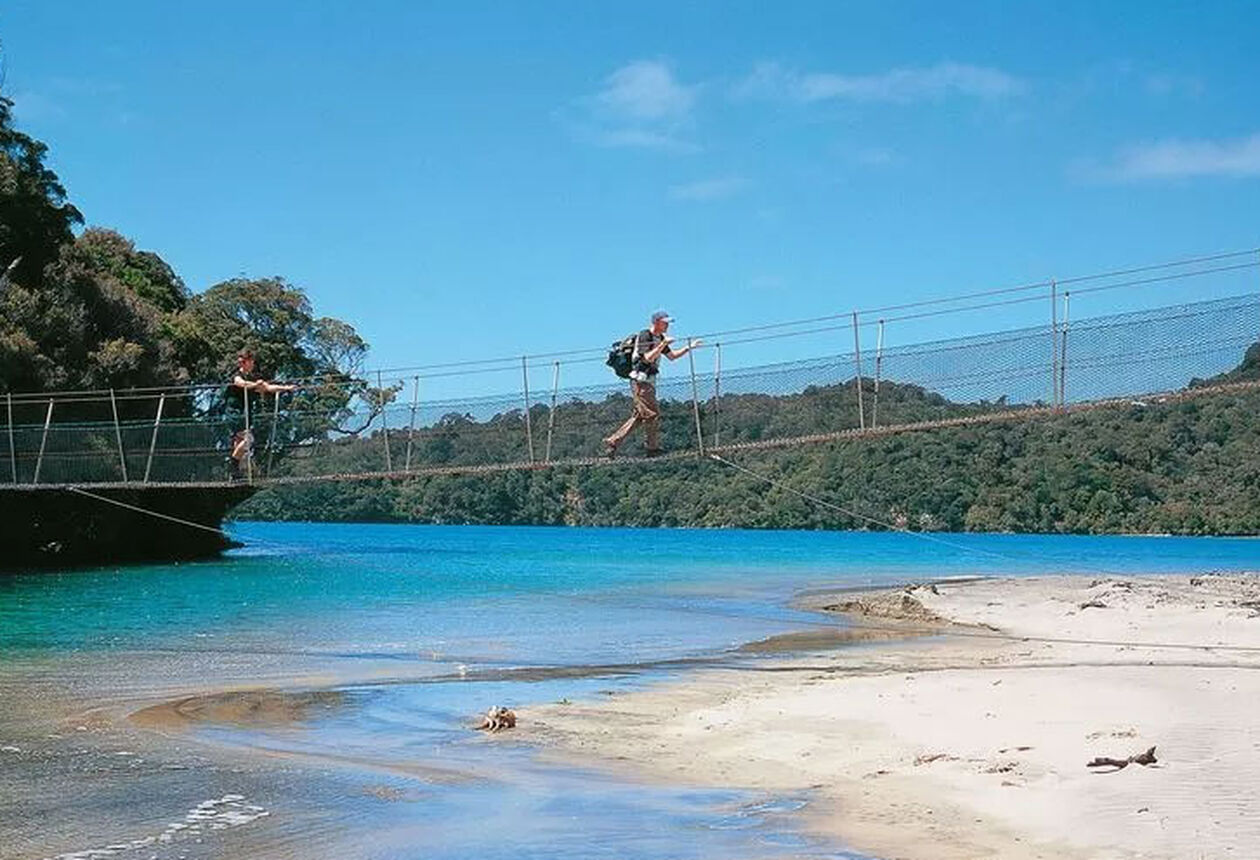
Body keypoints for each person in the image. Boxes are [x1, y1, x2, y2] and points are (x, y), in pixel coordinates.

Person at [603, 310, 702, 458]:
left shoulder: (660, 338)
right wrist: (662, 344)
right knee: (651, 414)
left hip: (649, 382)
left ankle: (613, 442)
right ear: (656, 322)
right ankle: (652, 448)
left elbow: (672, 356)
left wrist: (689, 347)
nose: (667, 325)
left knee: (640, 417)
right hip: (640, 380)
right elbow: (646, 358)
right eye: (665, 322)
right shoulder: (645, 336)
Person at [227, 349, 296, 479]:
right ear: (244, 362)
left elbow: (268, 388)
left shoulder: (253, 377)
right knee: (248, 440)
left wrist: (286, 388)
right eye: (250, 361)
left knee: (240, 442)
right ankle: (232, 465)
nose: (252, 364)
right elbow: (240, 383)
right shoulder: (236, 375)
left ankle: (235, 473)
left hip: (246, 414)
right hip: (235, 412)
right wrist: (255, 385)